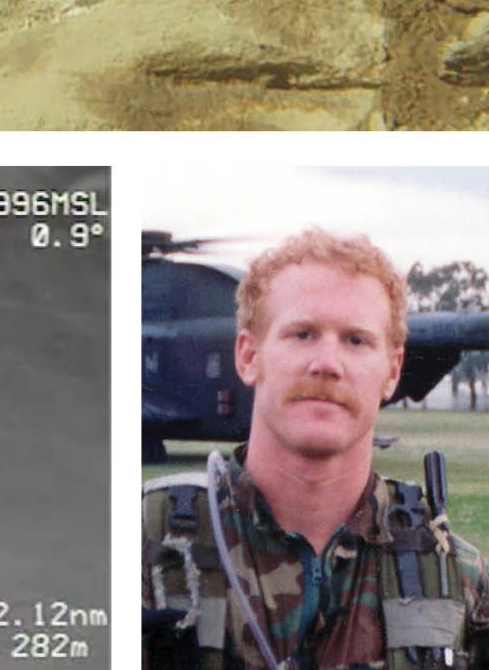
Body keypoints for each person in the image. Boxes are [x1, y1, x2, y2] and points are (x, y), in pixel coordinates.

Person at [142, 228, 489, 669]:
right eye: (302, 334)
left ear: (392, 371)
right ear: (248, 356)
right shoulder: (143, 550)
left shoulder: (456, 579)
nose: (326, 364)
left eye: (356, 340)